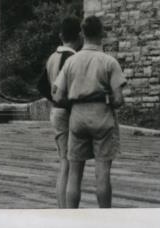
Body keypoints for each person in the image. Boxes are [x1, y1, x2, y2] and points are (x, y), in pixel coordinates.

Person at [51, 15, 127, 209]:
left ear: (82, 34)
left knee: (74, 174)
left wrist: (77, 99)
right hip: (102, 116)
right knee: (102, 174)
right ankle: (104, 218)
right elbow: (119, 100)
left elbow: (58, 98)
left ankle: (72, 218)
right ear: (101, 33)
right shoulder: (109, 62)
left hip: (77, 117)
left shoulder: (71, 62)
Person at [45, 16, 82, 209]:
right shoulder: (72, 58)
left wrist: (53, 98)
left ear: (61, 35)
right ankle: (69, 209)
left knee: (63, 163)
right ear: (79, 36)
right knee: (71, 163)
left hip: (55, 112)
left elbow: (41, 84)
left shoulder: (52, 57)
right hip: (67, 112)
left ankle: (61, 206)